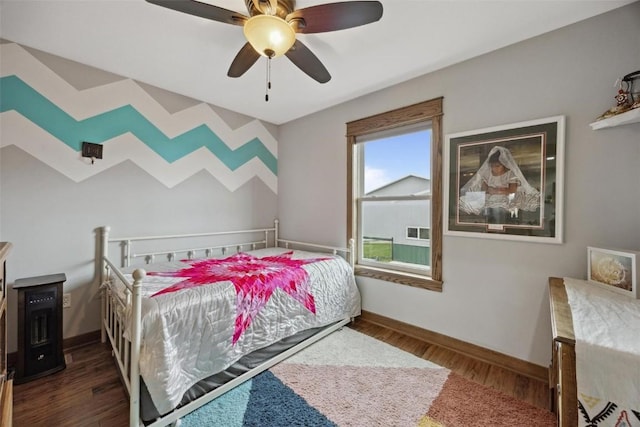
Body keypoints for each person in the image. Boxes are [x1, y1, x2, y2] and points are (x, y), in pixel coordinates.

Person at [458, 146, 540, 224]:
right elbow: (484, 187)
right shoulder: (488, 174)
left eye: (497, 166)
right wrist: (487, 189)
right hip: (490, 202)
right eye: (492, 166)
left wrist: (497, 191)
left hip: (507, 202)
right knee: (487, 214)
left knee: (504, 217)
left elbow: (512, 190)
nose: (494, 168)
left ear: (504, 164)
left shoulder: (510, 174)